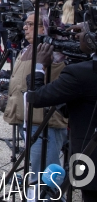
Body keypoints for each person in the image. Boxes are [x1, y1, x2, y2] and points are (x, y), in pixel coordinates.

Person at [27, 26, 97, 202]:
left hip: (91, 158)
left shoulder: (81, 73)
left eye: (83, 32)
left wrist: (39, 66)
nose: (76, 36)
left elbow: (35, 98)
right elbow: (73, 107)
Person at [2, 13, 67, 194]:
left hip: (46, 125)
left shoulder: (54, 53)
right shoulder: (29, 48)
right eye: (25, 24)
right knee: (36, 172)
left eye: (31, 24)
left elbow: (49, 83)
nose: (25, 27)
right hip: (29, 122)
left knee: (46, 176)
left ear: (44, 27)